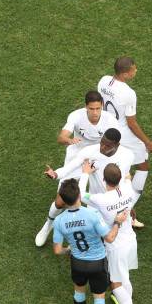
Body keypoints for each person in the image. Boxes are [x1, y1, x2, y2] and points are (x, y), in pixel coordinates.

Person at [52, 179, 128, 304]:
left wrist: (68, 250)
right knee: (99, 296)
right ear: (79, 195)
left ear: (63, 200)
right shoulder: (92, 216)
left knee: (79, 290)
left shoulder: (59, 221)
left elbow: (57, 250)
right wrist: (117, 222)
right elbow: (109, 237)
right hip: (97, 263)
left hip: (78, 263)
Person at [35, 90, 119, 246]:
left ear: (102, 106)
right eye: (91, 109)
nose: (95, 113)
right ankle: (48, 224)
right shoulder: (76, 116)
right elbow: (61, 137)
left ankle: (108, 227)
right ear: (85, 107)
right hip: (76, 158)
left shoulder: (110, 120)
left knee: (101, 198)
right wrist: (69, 140)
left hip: (98, 159)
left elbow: (116, 144)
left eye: (98, 108)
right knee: (62, 200)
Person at [78, 162, 145, 304]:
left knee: (115, 284)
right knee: (125, 277)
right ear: (120, 178)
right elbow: (129, 179)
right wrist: (127, 174)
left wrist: (85, 173)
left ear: (103, 179)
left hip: (115, 246)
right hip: (131, 240)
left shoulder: (101, 199)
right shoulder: (128, 189)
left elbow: (78, 194)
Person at [98, 57, 152, 228]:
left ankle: (126, 210)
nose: (135, 71)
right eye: (133, 69)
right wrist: (147, 142)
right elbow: (132, 122)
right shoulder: (129, 93)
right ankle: (126, 208)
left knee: (118, 170)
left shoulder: (104, 81)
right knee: (142, 166)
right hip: (124, 135)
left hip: (107, 131)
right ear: (125, 73)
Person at [43, 128, 134, 197]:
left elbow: (125, 176)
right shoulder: (89, 151)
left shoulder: (128, 155)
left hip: (117, 201)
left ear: (117, 145)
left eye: (107, 146)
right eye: (102, 142)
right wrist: (55, 174)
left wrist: (128, 206)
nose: (102, 147)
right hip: (95, 202)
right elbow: (70, 167)